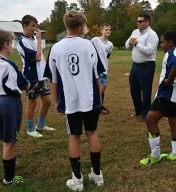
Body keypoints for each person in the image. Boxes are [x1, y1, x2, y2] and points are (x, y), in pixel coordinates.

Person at [46, 11, 104, 191]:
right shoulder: (89, 45)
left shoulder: (56, 48)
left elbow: (53, 79)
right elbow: (97, 75)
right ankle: (97, 174)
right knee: (92, 133)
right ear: (80, 27)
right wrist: (99, 99)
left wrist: (56, 101)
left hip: (70, 101)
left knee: (74, 136)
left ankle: (77, 179)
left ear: (66, 26)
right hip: (90, 99)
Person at [140, 31, 176, 165]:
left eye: (163, 42)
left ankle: (155, 155)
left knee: (150, 120)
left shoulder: (172, 54)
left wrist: (169, 81)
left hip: (168, 94)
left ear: (170, 43)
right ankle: (175, 154)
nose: (161, 45)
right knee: (174, 122)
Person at [0, 29, 30, 184]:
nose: (12, 47)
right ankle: (9, 178)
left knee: (7, 139)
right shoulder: (9, 64)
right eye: (11, 43)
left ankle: (9, 165)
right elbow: (26, 85)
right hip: (9, 103)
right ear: (6, 45)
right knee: (10, 140)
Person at [17, 15, 54, 138]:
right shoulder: (22, 42)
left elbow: (41, 56)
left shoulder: (34, 39)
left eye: (36, 26)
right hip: (31, 76)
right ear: (25, 26)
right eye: (33, 26)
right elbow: (37, 57)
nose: (35, 28)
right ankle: (30, 129)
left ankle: (41, 125)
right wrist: (39, 41)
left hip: (41, 76)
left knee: (47, 101)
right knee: (32, 103)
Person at [125, 14, 159, 121]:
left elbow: (149, 51)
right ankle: (138, 110)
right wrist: (130, 43)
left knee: (146, 90)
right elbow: (127, 46)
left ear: (147, 22)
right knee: (134, 89)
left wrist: (136, 44)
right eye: (137, 21)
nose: (138, 23)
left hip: (146, 65)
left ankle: (146, 113)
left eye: (140, 21)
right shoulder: (135, 32)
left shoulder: (152, 35)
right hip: (135, 66)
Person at [90, 24, 113, 114]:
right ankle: (98, 105)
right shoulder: (95, 40)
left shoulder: (110, 44)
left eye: (109, 30)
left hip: (104, 68)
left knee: (101, 86)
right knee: (102, 85)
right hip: (95, 67)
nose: (108, 31)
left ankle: (98, 105)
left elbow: (107, 56)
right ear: (101, 31)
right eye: (106, 29)